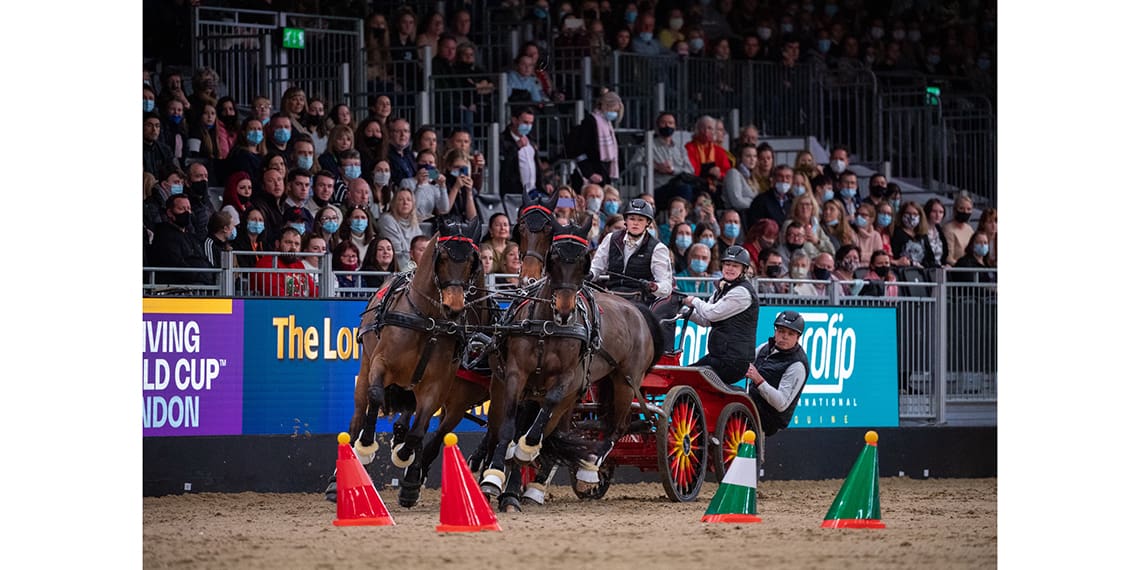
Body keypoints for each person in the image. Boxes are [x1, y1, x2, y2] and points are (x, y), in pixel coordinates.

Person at [682, 245, 759, 385]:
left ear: (744, 270)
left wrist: (693, 300)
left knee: (688, 378)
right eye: (727, 264)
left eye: (735, 266)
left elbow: (711, 314)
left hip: (733, 362)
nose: (730, 268)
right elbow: (705, 320)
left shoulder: (741, 292)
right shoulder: (723, 288)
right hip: (719, 357)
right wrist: (681, 309)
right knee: (684, 375)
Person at [588, 198, 673, 305]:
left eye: (640, 220)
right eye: (632, 219)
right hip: (611, 295)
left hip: (640, 299)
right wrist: (589, 274)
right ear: (626, 221)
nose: (635, 223)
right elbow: (596, 267)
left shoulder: (658, 248)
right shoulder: (611, 239)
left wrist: (655, 287)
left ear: (647, 223)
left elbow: (666, 286)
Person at [743, 311, 810, 436]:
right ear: (775, 332)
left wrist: (758, 379)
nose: (785, 337)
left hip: (769, 418)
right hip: (751, 403)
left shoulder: (797, 365)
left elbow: (781, 404)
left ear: (798, 338)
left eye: (790, 334)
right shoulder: (766, 348)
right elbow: (745, 364)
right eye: (781, 331)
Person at [148, 193, 214, 286]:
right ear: (170, 212)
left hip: (199, 285)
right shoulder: (164, 236)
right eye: (181, 209)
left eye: (189, 209)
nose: (187, 213)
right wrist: (201, 277)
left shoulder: (190, 235)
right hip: (177, 287)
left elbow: (203, 258)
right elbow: (176, 264)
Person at [567, 91, 624, 189]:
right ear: (604, 106)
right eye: (613, 110)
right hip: (592, 171)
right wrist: (589, 173)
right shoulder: (590, 122)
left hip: (604, 171)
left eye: (616, 111)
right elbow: (580, 150)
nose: (614, 113)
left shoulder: (608, 124)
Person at [252, 226, 318, 297]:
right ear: (277, 244)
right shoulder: (267, 264)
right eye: (288, 242)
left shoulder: (298, 265)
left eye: (297, 244)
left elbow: (314, 292)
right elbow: (277, 296)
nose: (293, 247)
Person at [498, 106, 542, 196]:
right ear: (514, 120)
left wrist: (545, 183)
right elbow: (504, 165)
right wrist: (515, 147)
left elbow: (536, 165)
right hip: (515, 194)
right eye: (525, 122)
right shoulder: (502, 140)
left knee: (565, 200)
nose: (528, 126)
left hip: (534, 191)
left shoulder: (531, 140)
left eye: (531, 123)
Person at [376, 186, 423, 270]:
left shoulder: (414, 223)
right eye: (401, 200)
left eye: (409, 200)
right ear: (394, 203)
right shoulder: (387, 220)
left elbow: (421, 249)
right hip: (397, 268)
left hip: (414, 267)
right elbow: (397, 252)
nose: (405, 203)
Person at [891, 201, 936, 268]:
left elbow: (930, 258)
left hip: (922, 271)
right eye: (908, 213)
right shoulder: (896, 233)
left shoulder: (922, 235)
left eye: (915, 214)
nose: (911, 217)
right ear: (901, 214)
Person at [723, 143, 764, 213]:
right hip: (735, 215)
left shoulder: (753, 178)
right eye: (748, 156)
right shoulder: (733, 173)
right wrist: (757, 204)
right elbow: (736, 201)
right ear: (740, 158)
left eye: (755, 156)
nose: (752, 159)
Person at [943, 192, 975, 265]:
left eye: (968, 209)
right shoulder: (948, 229)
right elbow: (948, 258)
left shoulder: (969, 229)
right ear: (955, 210)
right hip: (957, 268)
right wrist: (963, 267)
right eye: (961, 208)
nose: (965, 212)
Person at [923, 198, 951, 268]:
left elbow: (944, 253)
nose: (938, 215)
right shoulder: (921, 231)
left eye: (941, 212)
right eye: (934, 211)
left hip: (939, 269)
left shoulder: (939, 230)